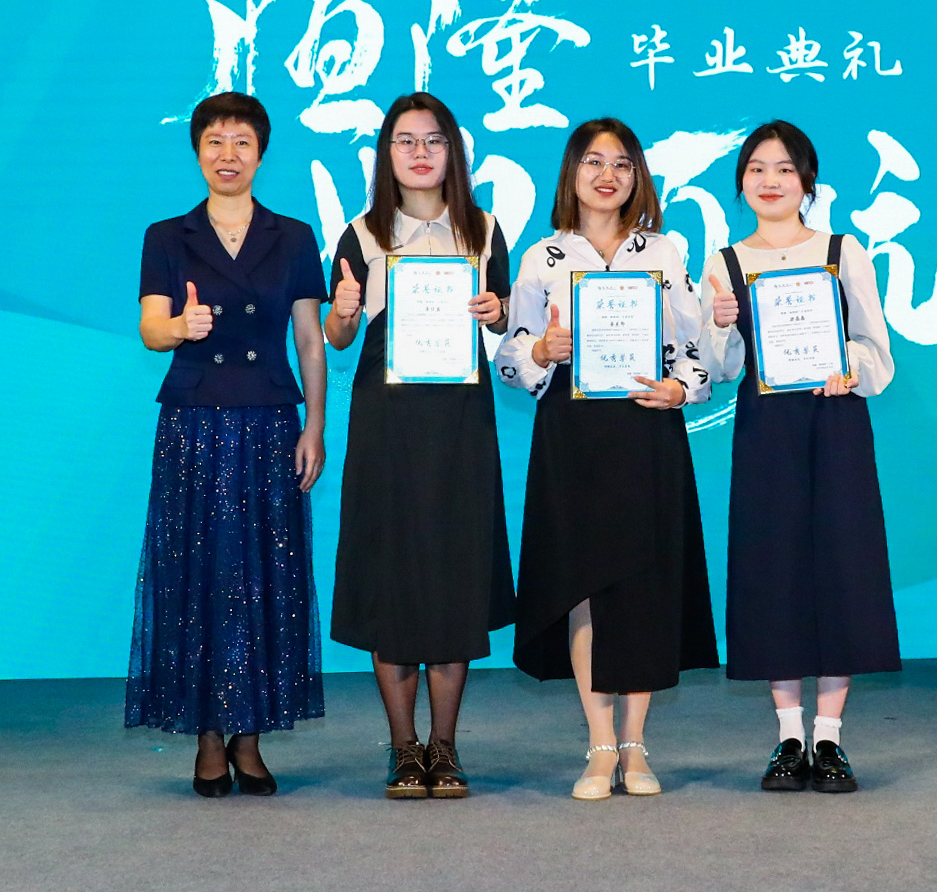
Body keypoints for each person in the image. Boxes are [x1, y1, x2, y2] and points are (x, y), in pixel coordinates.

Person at [497, 117, 718, 801]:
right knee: (583, 585)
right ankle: (598, 745)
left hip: (647, 427)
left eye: (622, 163)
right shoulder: (543, 257)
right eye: (594, 161)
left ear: (637, 177)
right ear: (572, 173)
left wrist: (681, 388)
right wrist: (541, 351)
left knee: (644, 588)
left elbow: (695, 349)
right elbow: (510, 356)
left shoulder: (666, 252)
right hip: (572, 434)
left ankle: (635, 744)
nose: (608, 175)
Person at [126, 91, 330, 798]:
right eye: (215, 141)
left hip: (270, 421)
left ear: (262, 154)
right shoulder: (167, 235)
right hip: (195, 423)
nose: (228, 155)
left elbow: (310, 340)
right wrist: (180, 328)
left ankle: (251, 737)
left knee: (266, 577)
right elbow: (151, 327)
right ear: (197, 152)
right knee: (199, 574)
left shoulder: (293, 237)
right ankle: (208, 737)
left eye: (242, 142)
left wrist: (314, 426)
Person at [697, 120, 901, 794]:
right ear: (741, 183)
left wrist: (851, 369)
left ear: (807, 181)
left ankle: (830, 737)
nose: (771, 181)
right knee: (773, 569)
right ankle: (789, 735)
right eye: (757, 168)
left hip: (835, 424)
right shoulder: (725, 263)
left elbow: (876, 349)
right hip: (767, 432)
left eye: (785, 169)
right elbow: (723, 368)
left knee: (843, 567)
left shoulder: (843, 252)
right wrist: (720, 323)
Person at [323, 92, 516, 799]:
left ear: (452, 152)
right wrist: (343, 314)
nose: (420, 153)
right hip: (388, 426)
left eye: (433, 140)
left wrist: (496, 310)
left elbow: (506, 322)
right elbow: (339, 335)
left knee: (454, 578)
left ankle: (446, 746)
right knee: (393, 577)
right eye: (405, 141)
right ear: (387, 155)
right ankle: (405, 747)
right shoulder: (361, 234)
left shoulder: (484, 229)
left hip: (461, 425)